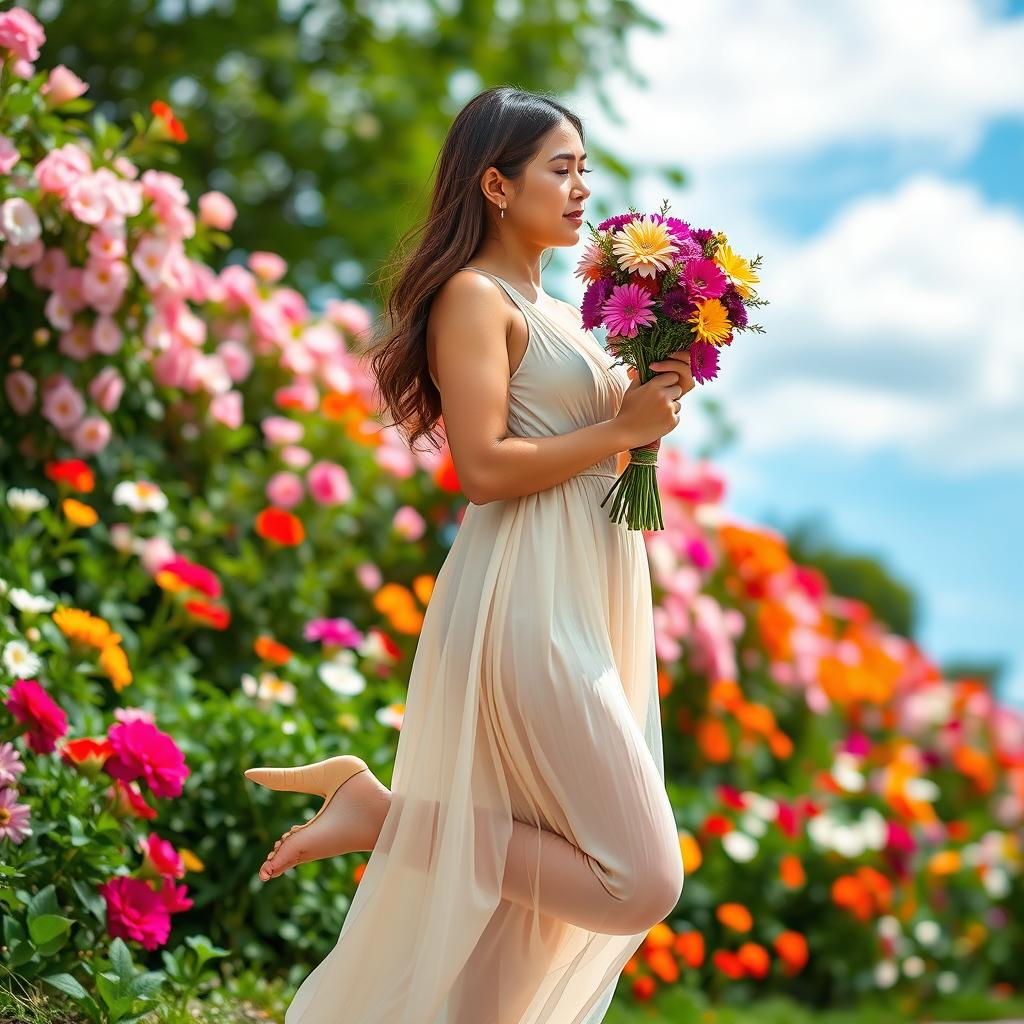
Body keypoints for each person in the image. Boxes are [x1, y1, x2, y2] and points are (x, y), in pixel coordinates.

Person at [245, 85, 695, 1024]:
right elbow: (484, 468)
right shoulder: (472, 297)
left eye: (583, 168)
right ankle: (387, 819)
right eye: (558, 169)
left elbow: (600, 450)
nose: (581, 189)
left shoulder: (565, 311)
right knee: (640, 880)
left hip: (586, 584)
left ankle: (395, 832)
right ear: (495, 184)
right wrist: (620, 424)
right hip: (525, 600)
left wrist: (644, 424)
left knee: (512, 948)